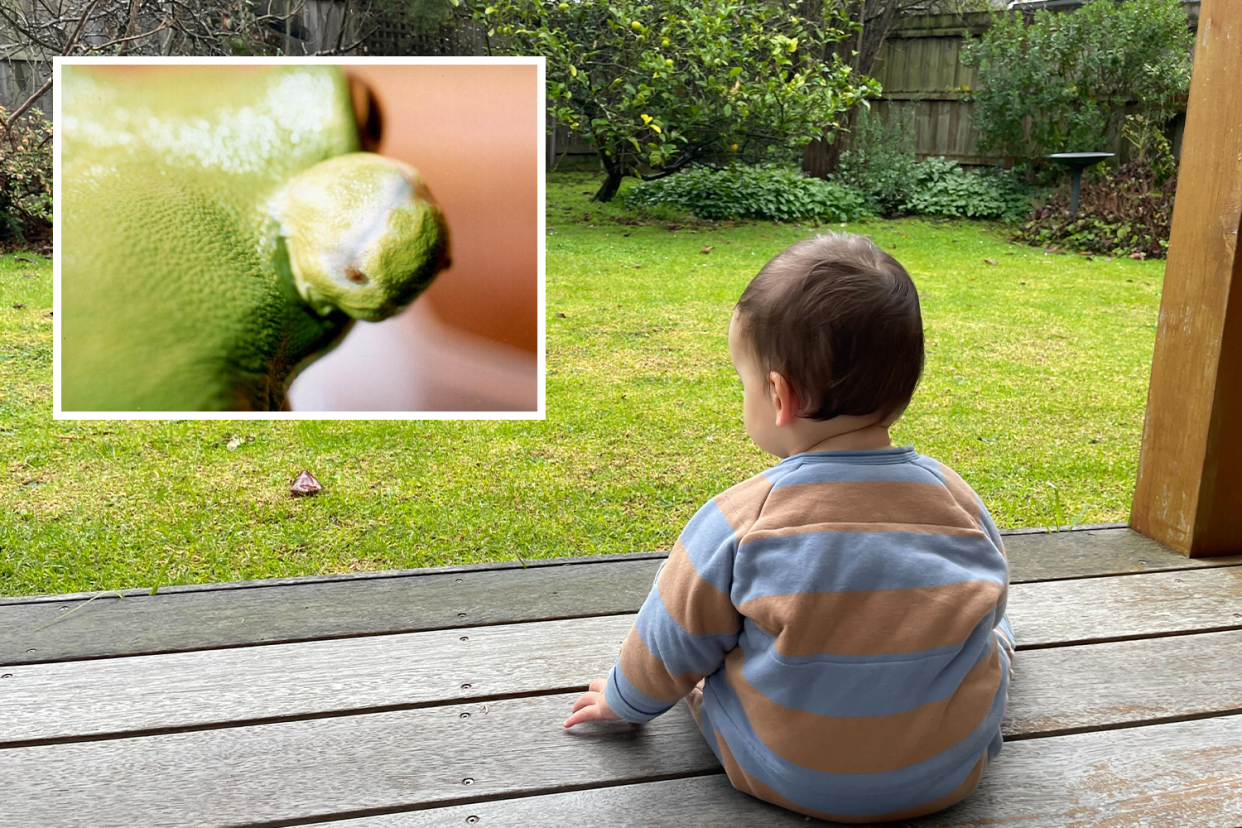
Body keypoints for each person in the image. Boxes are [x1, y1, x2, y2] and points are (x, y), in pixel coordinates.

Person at [562, 232, 1015, 823]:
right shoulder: (956, 499)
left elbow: (670, 640)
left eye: (743, 382)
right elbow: (991, 593)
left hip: (785, 775)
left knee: (707, 680)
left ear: (779, 395)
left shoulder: (741, 518)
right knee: (996, 634)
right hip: (947, 774)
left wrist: (623, 702)